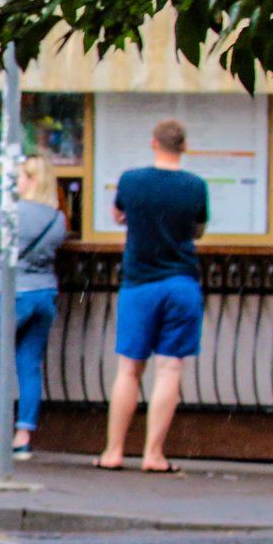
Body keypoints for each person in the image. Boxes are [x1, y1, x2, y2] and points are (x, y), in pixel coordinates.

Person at [98, 120, 208, 473]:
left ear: (153, 143)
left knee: (129, 369)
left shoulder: (131, 180)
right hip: (181, 283)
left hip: (139, 283)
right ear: (184, 147)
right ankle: (153, 454)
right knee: (169, 367)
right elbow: (198, 230)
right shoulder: (195, 186)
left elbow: (118, 215)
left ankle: (114, 451)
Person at [0, 155, 69, 458]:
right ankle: (22, 438)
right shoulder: (58, 218)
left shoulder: (10, 211)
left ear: (33, 180)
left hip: (8, 293)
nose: (15, 182)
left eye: (19, 176)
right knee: (29, 366)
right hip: (44, 295)